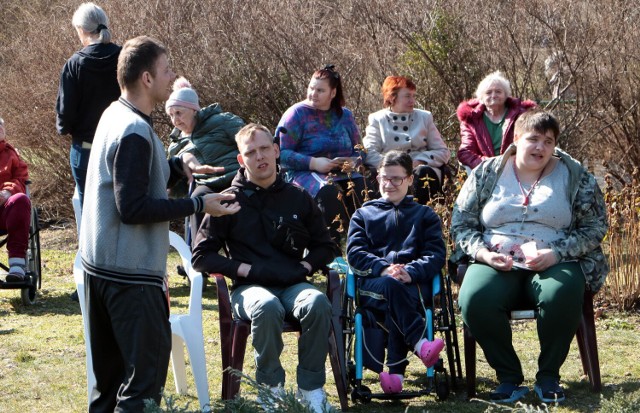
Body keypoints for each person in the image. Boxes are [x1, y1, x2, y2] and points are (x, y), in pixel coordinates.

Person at [80, 36, 240, 412]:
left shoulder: (114, 115)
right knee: (141, 390)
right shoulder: (133, 131)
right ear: (148, 77)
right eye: (167, 70)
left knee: (108, 388)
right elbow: (132, 208)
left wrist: (174, 168)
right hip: (129, 280)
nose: (172, 77)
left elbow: (126, 183)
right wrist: (199, 203)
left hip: (100, 272)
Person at [450, 110, 609, 403]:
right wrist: (483, 254)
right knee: (475, 299)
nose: (540, 147)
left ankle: (548, 376)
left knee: (561, 292)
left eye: (548, 141)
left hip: (555, 259)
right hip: (497, 259)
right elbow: (461, 223)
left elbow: (596, 226)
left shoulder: (574, 176)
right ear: (516, 139)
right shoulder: (487, 173)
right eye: (533, 139)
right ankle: (509, 377)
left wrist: (558, 253)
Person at [192, 123, 340, 413]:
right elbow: (201, 257)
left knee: (318, 301)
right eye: (251, 152)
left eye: (264, 149)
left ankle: (311, 390)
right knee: (267, 306)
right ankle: (271, 389)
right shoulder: (228, 200)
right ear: (241, 160)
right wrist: (245, 270)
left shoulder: (298, 197)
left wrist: (305, 266)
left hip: (293, 284)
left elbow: (327, 246)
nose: (259, 156)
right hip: (250, 289)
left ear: (275, 151)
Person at [346, 150, 446, 394]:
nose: (388, 184)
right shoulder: (363, 215)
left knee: (397, 291)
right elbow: (355, 253)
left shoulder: (425, 215)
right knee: (392, 286)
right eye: (384, 178)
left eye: (396, 179)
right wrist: (382, 269)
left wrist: (411, 271)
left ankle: (396, 377)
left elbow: (436, 255)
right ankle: (422, 344)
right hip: (374, 285)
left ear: (410, 179)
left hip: (413, 284)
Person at [277, 64, 367, 244]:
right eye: (311, 88)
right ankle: (330, 247)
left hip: (343, 171)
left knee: (365, 190)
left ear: (333, 93)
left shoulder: (345, 115)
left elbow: (360, 149)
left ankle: (365, 243)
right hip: (304, 172)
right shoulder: (296, 114)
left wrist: (354, 161)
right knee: (329, 192)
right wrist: (314, 163)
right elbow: (281, 154)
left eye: (320, 90)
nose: (313, 94)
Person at [56, 2, 121, 208]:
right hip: (125, 146)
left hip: (86, 150)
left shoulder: (74, 65)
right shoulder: (125, 57)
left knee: (92, 213)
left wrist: (66, 128)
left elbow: (65, 117)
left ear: (81, 30)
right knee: (125, 207)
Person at [165, 76, 244, 243]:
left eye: (179, 113)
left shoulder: (221, 121)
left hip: (235, 175)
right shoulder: (175, 147)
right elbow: (180, 184)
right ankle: (200, 258)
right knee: (197, 198)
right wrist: (168, 192)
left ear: (194, 110)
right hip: (207, 185)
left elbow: (248, 140)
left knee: (240, 196)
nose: (175, 120)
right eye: (171, 115)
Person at [363, 76, 450, 204]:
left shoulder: (424, 117)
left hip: (419, 168)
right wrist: (391, 166)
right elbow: (369, 152)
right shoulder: (377, 119)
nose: (412, 101)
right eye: (407, 96)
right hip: (389, 170)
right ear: (393, 97)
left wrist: (420, 160)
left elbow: (443, 151)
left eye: (414, 96)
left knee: (422, 173)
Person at [456, 71, 536, 171]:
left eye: (498, 91)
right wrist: (490, 165)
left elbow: (530, 144)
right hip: (485, 172)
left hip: (517, 169)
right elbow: (466, 152)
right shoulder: (471, 119)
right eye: (488, 92)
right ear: (481, 97)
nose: (493, 95)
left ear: (506, 95)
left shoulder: (521, 115)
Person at [0, 117, 31, 283]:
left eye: (1, 125)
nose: (0, 128)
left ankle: (17, 265)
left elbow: (21, 179)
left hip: (5, 208)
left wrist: (6, 192)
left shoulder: (12, 154)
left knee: (21, 199)